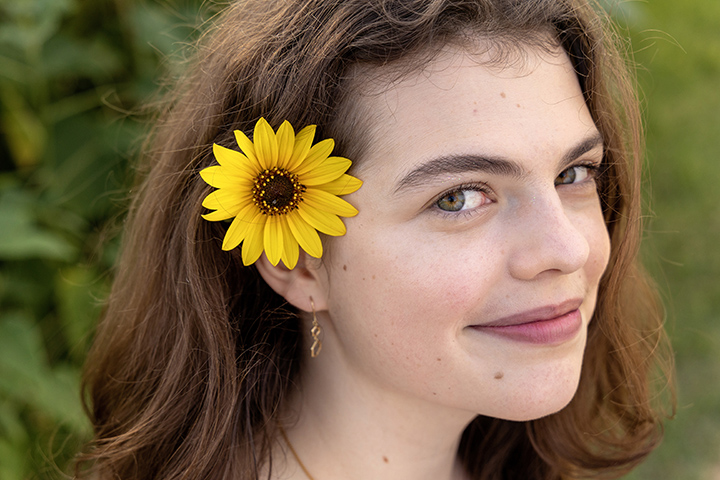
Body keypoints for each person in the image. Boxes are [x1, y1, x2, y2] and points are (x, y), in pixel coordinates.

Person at [75, 0, 675, 478]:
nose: (568, 248)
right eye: (459, 196)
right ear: (299, 266)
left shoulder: (508, 457)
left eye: (574, 175)